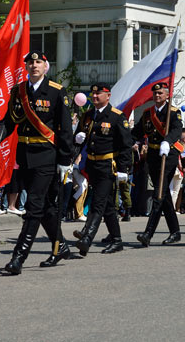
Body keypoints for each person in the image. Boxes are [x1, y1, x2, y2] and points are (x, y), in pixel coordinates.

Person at [0, 50, 74, 275]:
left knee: (34, 206)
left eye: (38, 62)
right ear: (26, 67)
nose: (34, 65)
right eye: (30, 62)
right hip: (25, 154)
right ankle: (61, 245)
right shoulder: (19, 91)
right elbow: (8, 120)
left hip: (47, 155)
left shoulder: (57, 92)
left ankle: (18, 257)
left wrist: (65, 159)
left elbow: (65, 129)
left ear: (46, 66)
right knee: (45, 205)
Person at [73, 82, 133, 255]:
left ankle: (86, 238)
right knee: (106, 205)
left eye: (99, 94)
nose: (95, 96)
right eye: (93, 94)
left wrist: (123, 169)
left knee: (98, 203)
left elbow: (126, 145)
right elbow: (79, 139)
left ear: (108, 96)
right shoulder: (88, 115)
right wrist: (77, 140)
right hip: (92, 165)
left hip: (108, 166)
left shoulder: (116, 116)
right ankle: (117, 240)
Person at [131, 83, 184, 247]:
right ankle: (175, 232)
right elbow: (137, 132)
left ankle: (148, 234)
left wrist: (167, 141)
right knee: (164, 195)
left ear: (167, 95)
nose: (157, 96)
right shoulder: (148, 113)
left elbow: (177, 130)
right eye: (155, 93)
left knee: (159, 194)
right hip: (153, 156)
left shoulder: (174, 112)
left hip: (168, 156)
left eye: (160, 93)